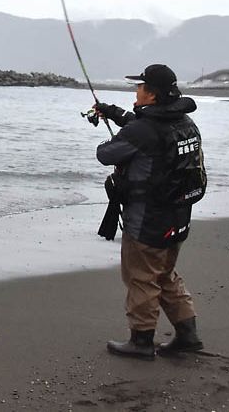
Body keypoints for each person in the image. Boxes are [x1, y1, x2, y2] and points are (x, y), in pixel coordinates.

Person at [94, 63, 205, 360]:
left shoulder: (144, 130)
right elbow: (145, 129)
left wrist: (115, 136)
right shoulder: (184, 123)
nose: (137, 91)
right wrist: (115, 113)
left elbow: (105, 153)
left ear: (152, 95)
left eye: (140, 87)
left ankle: (141, 341)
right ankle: (188, 336)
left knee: (141, 277)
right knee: (166, 274)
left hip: (147, 221)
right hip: (178, 216)